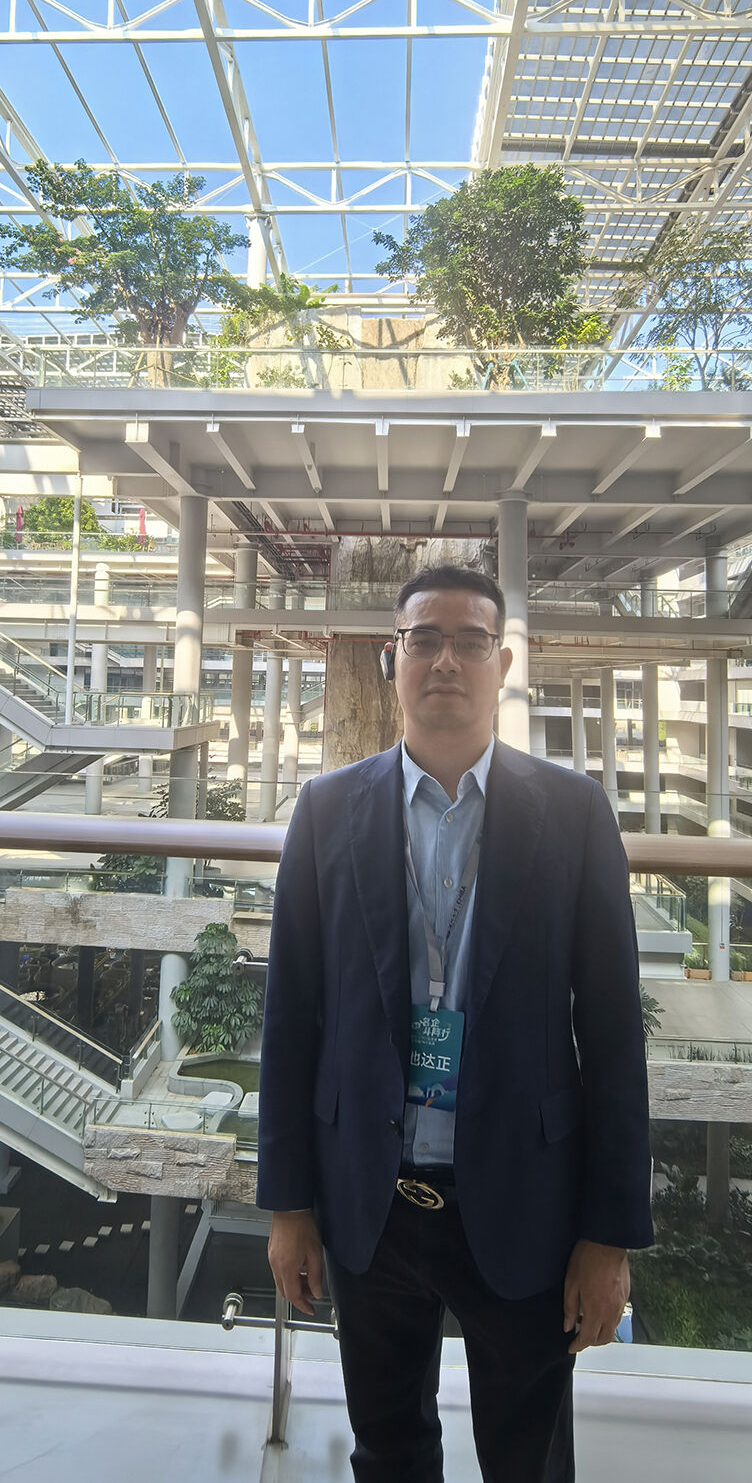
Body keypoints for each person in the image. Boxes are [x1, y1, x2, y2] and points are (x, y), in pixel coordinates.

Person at [257, 563, 653, 1482]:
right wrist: (288, 1205)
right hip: (370, 1199)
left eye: (470, 641)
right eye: (424, 639)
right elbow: (292, 1020)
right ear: (391, 657)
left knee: (530, 1458)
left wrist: (608, 1236)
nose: (446, 660)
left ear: (502, 663)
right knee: (388, 1451)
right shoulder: (325, 811)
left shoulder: (574, 814)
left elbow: (613, 1035)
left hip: (524, 1195)